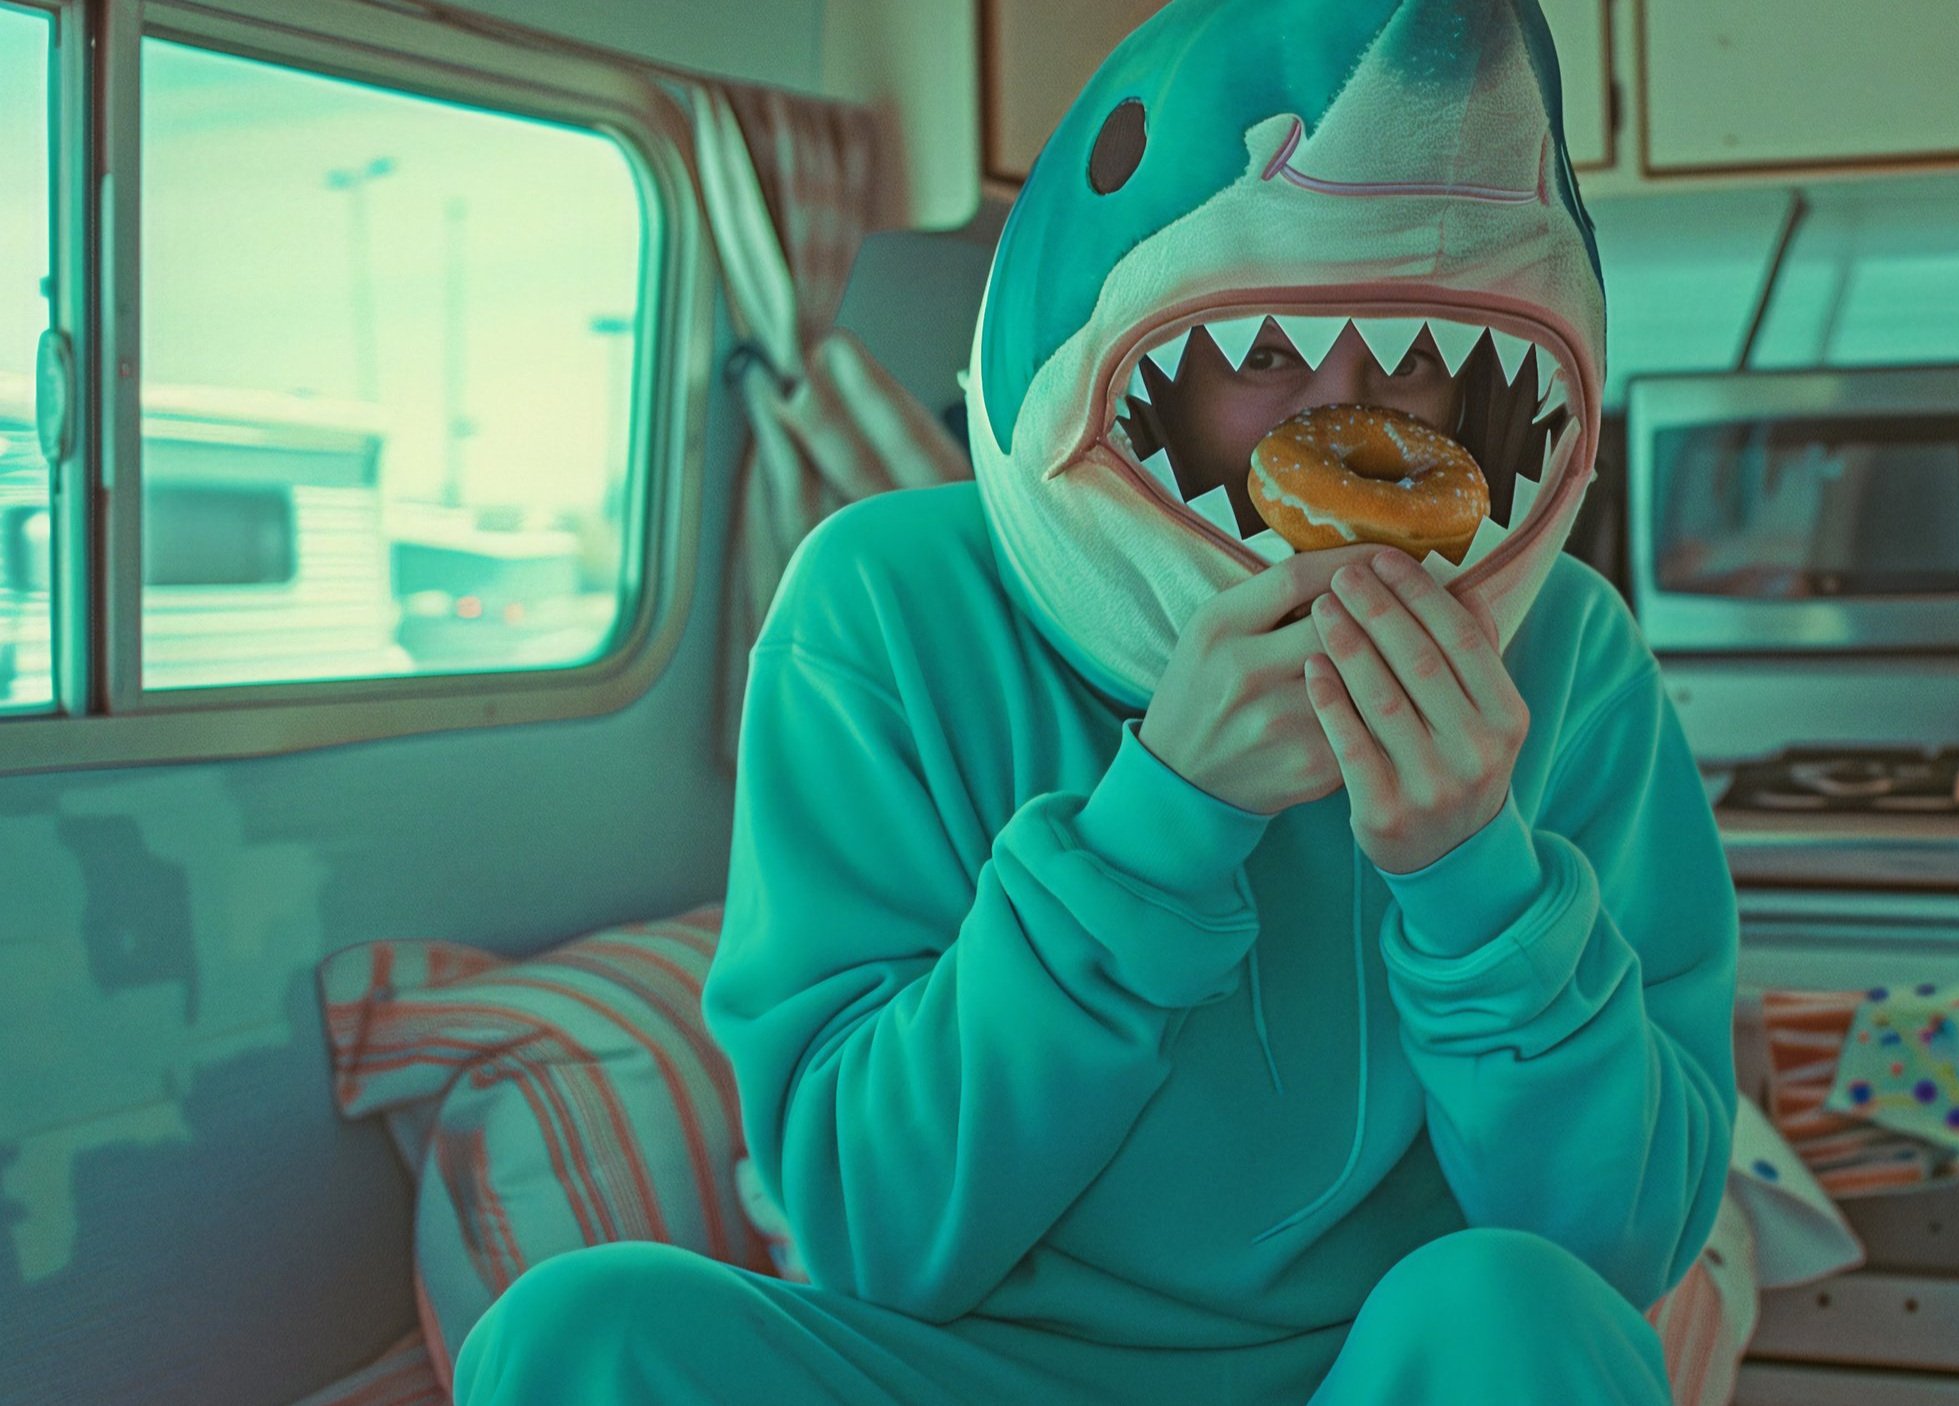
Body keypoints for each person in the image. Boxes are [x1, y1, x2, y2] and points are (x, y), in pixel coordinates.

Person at [452, 0, 1735, 1401]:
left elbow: (1609, 1256)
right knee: (573, 1334)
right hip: (967, 1368)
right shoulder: (880, 605)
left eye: (1418, 360)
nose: (1349, 418)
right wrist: (1161, 824)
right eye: (1263, 356)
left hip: (1386, 1371)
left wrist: (1475, 876)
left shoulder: (1566, 651)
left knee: (1512, 1306)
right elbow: (877, 1235)